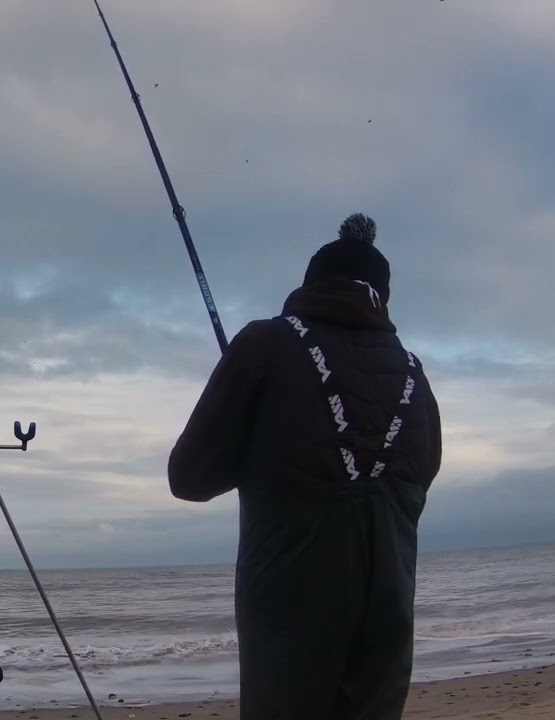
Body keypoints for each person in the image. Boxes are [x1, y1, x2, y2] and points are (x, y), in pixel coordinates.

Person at [167, 213, 443, 720]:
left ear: (311, 284)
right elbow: (421, 478)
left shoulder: (264, 345)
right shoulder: (414, 374)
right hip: (388, 617)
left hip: (290, 621)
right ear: (382, 296)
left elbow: (189, 477)